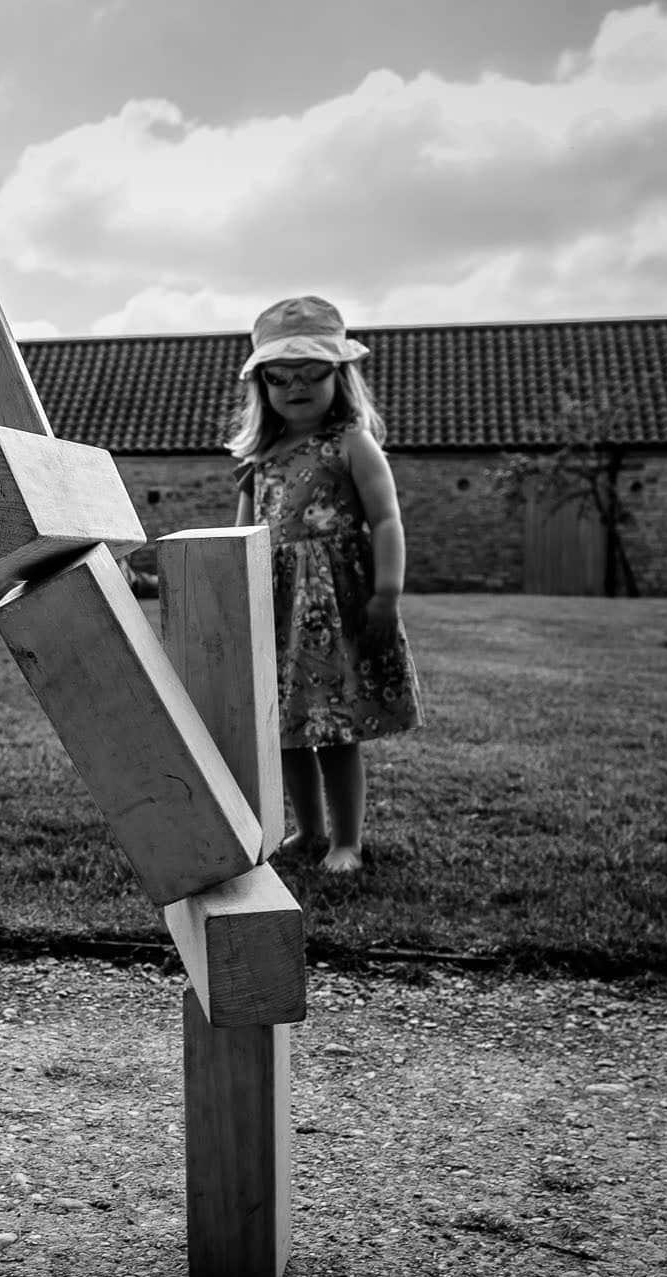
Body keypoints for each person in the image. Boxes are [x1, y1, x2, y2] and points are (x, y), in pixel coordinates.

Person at [230, 296, 421, 875]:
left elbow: (385, 518)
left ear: (341, 377)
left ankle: (346, 842)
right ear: (262, 386)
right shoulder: (258, 461)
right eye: (280, 377)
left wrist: (387, 593)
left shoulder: (352, 444)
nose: (296, 387)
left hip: (335, 608)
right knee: (286, 729)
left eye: (314, 373)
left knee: (335, 728)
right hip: (277, 610)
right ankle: (307, 830)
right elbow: (238, 539)